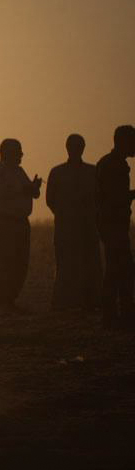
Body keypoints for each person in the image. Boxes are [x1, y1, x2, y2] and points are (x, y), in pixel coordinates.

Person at [0, 139, 42, 310]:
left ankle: (9, 299)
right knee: (4, 261)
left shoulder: (19, 171)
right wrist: (25, 189)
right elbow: (0, 191)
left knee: (20, 262)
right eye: (18, 151)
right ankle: (1, 299)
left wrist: (33, 187)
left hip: (21, 222)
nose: (21, 155)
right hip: (4, 222)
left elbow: (32, 193)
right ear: (6, 153)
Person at [46, 134, 102, 311]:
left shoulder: (92, 172)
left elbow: (99, 198)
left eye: (79, 146)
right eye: (74, 146)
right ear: (68, 148)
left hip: (86, 227)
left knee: (89, 263)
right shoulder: (58, 172)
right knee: (66, 265)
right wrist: (66, 215)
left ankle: (89, 300)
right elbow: (51, 200)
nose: (76, 149)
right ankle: (65, 302)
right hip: (66, 227)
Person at [96, 125, 135, 328]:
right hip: (113, 226)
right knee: (119, 270)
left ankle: (115, 315)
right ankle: (117, 315)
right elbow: (114, 198)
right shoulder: (114, 166)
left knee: (119, 269)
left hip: (111, 224)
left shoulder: (109, 163)